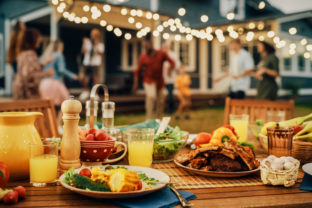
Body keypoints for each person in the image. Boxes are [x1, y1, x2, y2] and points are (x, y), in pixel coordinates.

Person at [132, 39, 175, 120]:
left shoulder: (161, 53)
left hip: (159, 81)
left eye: (146, 46)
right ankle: (149, 119)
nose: (145, 48)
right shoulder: (143, 57)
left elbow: (172, 62)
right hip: (148, 80)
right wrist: (136, 83)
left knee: (161, 100)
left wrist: (170, 69)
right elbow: (137, 71)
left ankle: (159, 119)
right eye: (144, 47)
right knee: (151, 96)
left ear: (151, 44)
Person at [39, 40, 79, 126]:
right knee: (67, 103)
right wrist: (72, 75)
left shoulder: (47, 56)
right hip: (54, 82)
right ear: (60, 46)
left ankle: (48, 127)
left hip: (44, 83)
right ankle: (57, 124)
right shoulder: (59, 55)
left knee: (48, 106)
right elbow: (61, 69)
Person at [13, 28, 54, 100]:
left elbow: (32, 70)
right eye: (38, 37)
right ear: (32, 39)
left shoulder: (22, 54)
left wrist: (45, 62)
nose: (40, 40)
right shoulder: (30, 54)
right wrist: (46, 74)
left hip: (20, 90)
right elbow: (28, 75)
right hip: (27, 94)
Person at [80, 28, 104, 101]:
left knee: (95, 78)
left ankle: (95, 94)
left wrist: (96, 44)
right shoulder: (87, 43)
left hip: (95, 63)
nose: (93, 36)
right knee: (83, 76)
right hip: (87, 62)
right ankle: (85, 91)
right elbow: (83, 52)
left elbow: (100, 53)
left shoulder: (100, 44)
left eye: (95, 35)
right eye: (92, 34)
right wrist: (84, 43)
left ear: (98, 36)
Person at [162, 42, 180, 114]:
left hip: (170, 79)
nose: (165, 48)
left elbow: (177, 65)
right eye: (164, 46)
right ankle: (161, 109)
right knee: (161, 95)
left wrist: (171, 68)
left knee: (170, 95)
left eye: (167, 46)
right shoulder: (161, 54)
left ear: (169, 47)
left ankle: (171, 109)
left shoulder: (173, 55)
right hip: (162, 79)